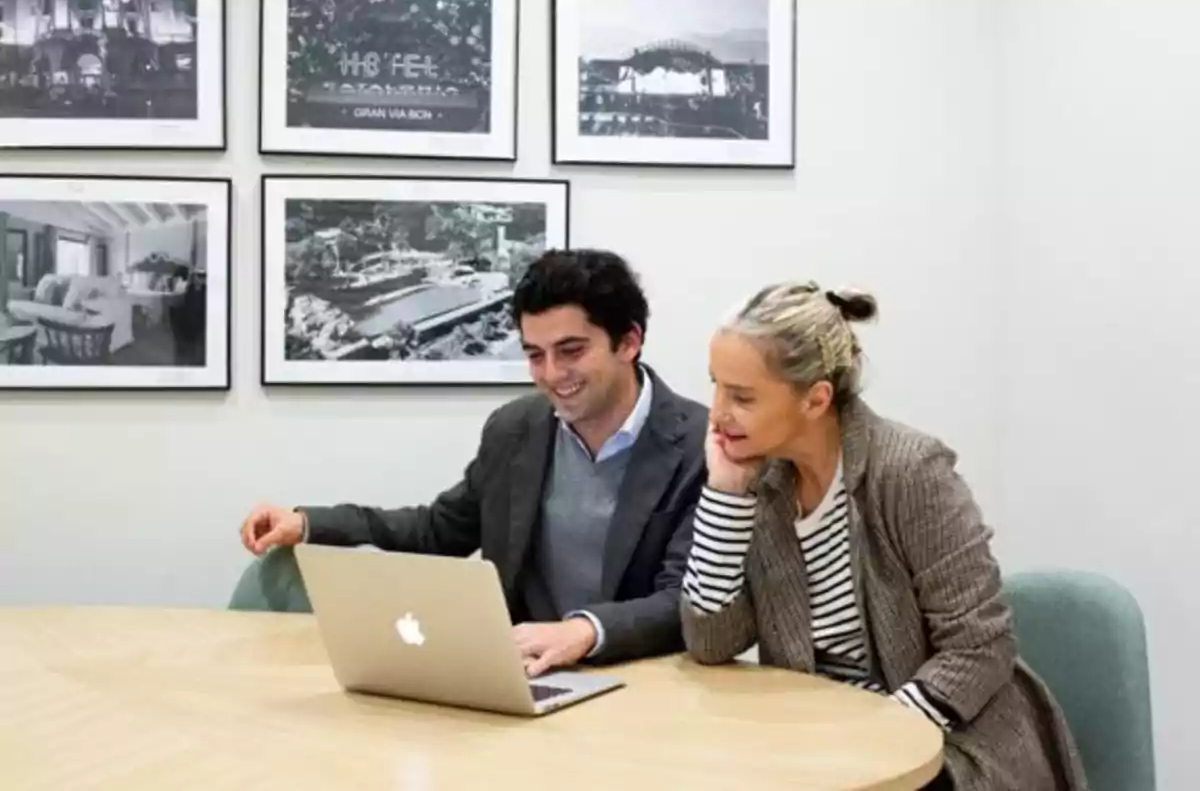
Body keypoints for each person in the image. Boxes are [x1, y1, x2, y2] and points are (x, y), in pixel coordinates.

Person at [680, 281, 1088, 790]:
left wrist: (871, 741)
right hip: (821, 745)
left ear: (816, 399)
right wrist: (725, 495)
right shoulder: (763, 481)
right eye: (715, 385)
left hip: (952, 743)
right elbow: (711, 642)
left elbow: (981, 645)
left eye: (741, 396)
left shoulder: (910, 470)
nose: (717, 413)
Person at [240, 249, 708, 679]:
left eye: (571, 351)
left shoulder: (699, 445)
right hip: (526, 679)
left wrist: (584, 631)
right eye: (534, 355)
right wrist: (308, 523)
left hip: (646, 684)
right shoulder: (515, 429)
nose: (550, 375)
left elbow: (685, 601)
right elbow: (438, 531)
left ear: (628, 342)